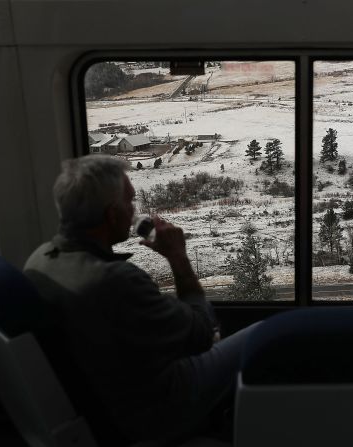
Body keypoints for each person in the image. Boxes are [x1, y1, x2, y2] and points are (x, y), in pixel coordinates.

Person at [24, 155, 253, 445]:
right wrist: (178, 258)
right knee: (260, 338)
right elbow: (203, 333)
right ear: (111, 215)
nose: (135, 211)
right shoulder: (114, 281)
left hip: (107, 398)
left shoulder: (40, 259)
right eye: (130, 202)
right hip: (153, 410)